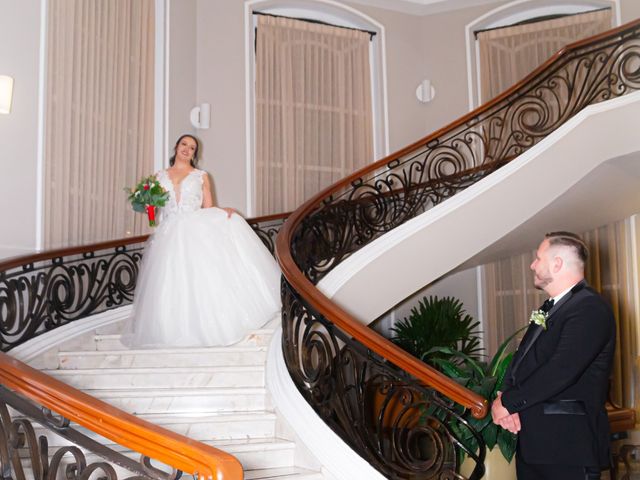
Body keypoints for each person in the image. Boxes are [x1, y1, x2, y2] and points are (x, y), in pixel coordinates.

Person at [123, 134, 281, 347]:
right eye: (184, 144)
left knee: (200, 277)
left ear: (195, 153)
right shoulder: (157, 177)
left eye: (192, 147)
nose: (187, 149)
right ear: (176, 147)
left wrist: (222, 211)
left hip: (193, 228)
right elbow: (152, 217)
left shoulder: (201, 176)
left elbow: (208, 206)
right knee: (170, 282)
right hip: (168, 232)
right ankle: (172, 329)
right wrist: (146, 206)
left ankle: (209, 325)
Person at [491, 231, 615, 480]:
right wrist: (504, 394)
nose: (532, 265)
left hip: (568, 448)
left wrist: (508, 403)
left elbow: (561, 371)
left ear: (557, 263)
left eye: (538, 258)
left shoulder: (590, 308)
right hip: (535, 445)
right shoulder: (553, 307)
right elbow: (522, 359)